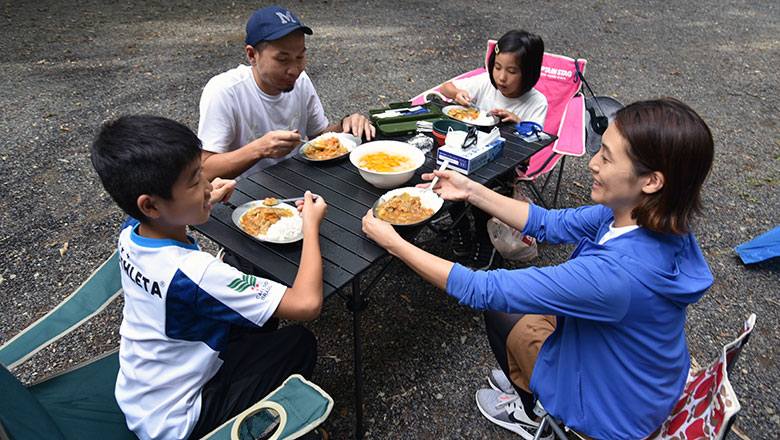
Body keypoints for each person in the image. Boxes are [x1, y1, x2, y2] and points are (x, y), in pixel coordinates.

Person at [362, 98, 715, 439]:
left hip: (610, 409)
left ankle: (534, 411)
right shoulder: (648, 217)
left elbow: (480, 288)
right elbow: (546, 223)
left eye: (606, 158)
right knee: (517, 309)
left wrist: (396, 243)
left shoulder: (618, 276)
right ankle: (528, 384)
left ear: (652, 181)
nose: (592, 163)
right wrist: (470, 190)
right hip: (644, 381)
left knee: (498, 307)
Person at [90, 115, 328, 440]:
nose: (206, 184)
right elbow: (307, 303)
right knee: (299, 342)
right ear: (151, 205)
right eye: (193, 182)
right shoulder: (197, 274)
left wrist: (206, 198)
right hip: (180, 420)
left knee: (256, 307)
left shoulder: (132, 231)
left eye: (202, 173)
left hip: (144, 391)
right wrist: (311, 227)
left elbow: (168, 226)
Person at [198, 5, 375, 181]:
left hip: (295, 183)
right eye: (282, 60)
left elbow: (318, 138)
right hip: (243, 197)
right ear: (252, 55)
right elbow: (205, 170)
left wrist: (346, 125)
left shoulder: (301, 81)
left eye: (300, 57)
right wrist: (258, 149)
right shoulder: (225, 92)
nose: (294, 70)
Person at [440, 30, 548, 269]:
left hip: (506, 165)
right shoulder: (485, 84)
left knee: (486, 187)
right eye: (497, 67)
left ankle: (484, 238)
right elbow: (446, 87)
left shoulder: (536, 101)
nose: (502, 77)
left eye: (512, 71)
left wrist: (518, 122)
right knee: (446, 174)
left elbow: (535, 139)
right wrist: (457, 94)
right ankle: (459, 227)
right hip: (470, 151)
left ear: (529, 73)